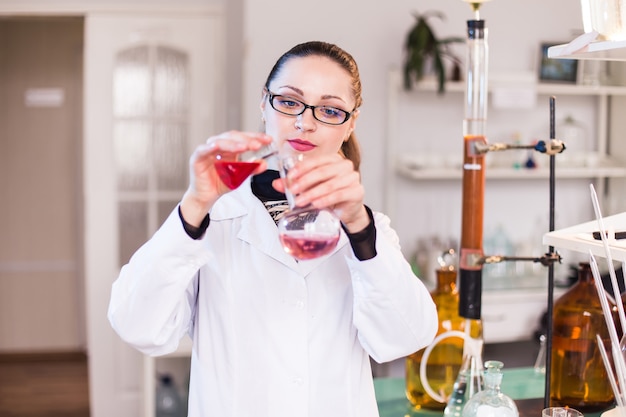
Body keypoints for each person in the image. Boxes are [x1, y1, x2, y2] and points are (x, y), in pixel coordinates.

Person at [108, 40, 437, 417]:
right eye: (289, 101)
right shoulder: (213, 219)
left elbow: (407, 337)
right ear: (264, 104)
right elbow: (137, 325)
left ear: (350, 125)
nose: (305, 122)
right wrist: (196, 205)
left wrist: (359, 229)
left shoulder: (369, 230)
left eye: (329, 110)